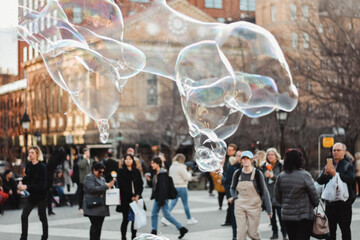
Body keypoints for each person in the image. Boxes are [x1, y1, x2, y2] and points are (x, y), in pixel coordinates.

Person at [274, 149, 319, 240]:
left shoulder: (281, 176)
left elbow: (277, 197)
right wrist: (315, 204)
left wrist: (286, 204)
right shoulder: (305, 175)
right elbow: (314, 196)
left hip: (287, 216)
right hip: (303, 216)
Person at [230, 150, 272, 240]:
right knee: (240, 233)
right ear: (241, 160)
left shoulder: (257, 173)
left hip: (254, 205)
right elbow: (232, 187)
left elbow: (264, 191)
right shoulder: (237, 173)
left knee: (252, 233)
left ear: (251, 160)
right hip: (240, 204)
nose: (245, 160)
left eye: (247, 159)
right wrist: (235, 198)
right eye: (243, 159)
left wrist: (269, 210)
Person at [317, 142, 355, 240]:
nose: (336, 152)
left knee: (345, 231)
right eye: (334, 150)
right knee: (330, 232)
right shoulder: (329, 165)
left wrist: (336, 174)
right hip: (330, 205)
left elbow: (350, 179)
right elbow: (320, 181)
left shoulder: (348, 165)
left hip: (344, 205)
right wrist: (325, 174)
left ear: (343, 152)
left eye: (338, 150)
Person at [145, 157, 188, 239]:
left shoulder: (162, 174)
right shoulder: (156, 173)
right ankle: (154, 231)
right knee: (154, 214)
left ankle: (181, 228)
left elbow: (163, 189)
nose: (151, 165)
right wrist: (149, 180)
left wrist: (162, 201)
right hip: (158, 197)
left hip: (162, 198)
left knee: (166, 215)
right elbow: (154, 185)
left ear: (158, 164)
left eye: (153, 163)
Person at [18, 146, 48, 240]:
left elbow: (42, 185)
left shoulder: (42, 167)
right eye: (29, 153)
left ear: (37, 154)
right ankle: (23, 237)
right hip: (32, 196)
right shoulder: (29, 166)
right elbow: (27, 178)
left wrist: (26, 186)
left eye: (32, 153)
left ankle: (44, 237)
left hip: (41, 196)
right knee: (24, 215)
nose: (30, 155)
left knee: (42, 217)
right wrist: (21, 182)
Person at [83, 162, 115, 240]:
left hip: (101, 206)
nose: (101, 173)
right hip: (92, 205)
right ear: (94, 170)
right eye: (100, 171)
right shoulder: (89, 177)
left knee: (99, 226)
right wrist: (106, 186)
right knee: (94, 226)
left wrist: (111, 186)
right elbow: (91, 188)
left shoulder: (102, 178)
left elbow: (103, 188)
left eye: (102, 172)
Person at [262, 148, 287, 240]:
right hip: (268, 195)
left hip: (278, 195)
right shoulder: (264, 166)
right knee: (271, 217)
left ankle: (285, 234)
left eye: (272, 154)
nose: (270, 156)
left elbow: (283, 180)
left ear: (276, 156)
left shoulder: (281, 165)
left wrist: (273, 176)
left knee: (281, 217)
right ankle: (275, 233)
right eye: (268, 154)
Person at [117, 154, 144, 240]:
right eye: (126, 159)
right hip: (125, 199)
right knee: (125, 219)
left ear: (133, 161)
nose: (128, 161)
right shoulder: (121, 171)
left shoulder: (136, 171)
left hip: (136, 199)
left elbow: (141, 184)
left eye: (130, 159)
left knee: (135, 219)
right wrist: (131, 196)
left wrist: (137, 195)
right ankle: (123, 237)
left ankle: (133, 236)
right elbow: (122, 186)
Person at [166, 153, 198, 225]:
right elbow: (187, 178)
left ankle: (165, 218)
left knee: (172, 204)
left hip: (174, 187)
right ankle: (189, 219)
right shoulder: (181, 167)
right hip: (182, 187)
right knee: (185, 203)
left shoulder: (172, 166)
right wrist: (189, 173)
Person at [223, 150, 242, 240]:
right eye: (238, 156)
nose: (239, 158)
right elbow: (227, 183)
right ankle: (235, 235)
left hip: (245, 196)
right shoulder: (232, 167)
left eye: (241, 156)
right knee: (234, 216)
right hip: (234, 196)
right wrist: (229, 196)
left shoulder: (247, 168)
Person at [222, 143, 237, 226]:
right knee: (229, 203)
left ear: (234, 151)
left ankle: (230, 221)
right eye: (228, 149)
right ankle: (229, 221)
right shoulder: (227, 159)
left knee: (231, 203)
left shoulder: (234, 160)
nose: (228, 151)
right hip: (227, 184)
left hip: (231, 185)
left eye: (230, 150)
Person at [78, 148, 94, 212]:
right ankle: (80, 207)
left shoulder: (91, 160)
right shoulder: (81, 160)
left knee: (90, 193)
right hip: (83, 180)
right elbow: (81, 166)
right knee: (81, 193)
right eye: (86, 153)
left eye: (88, 152)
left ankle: (90, 205)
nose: (88, 154)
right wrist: (85, 159)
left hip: (90, 179)